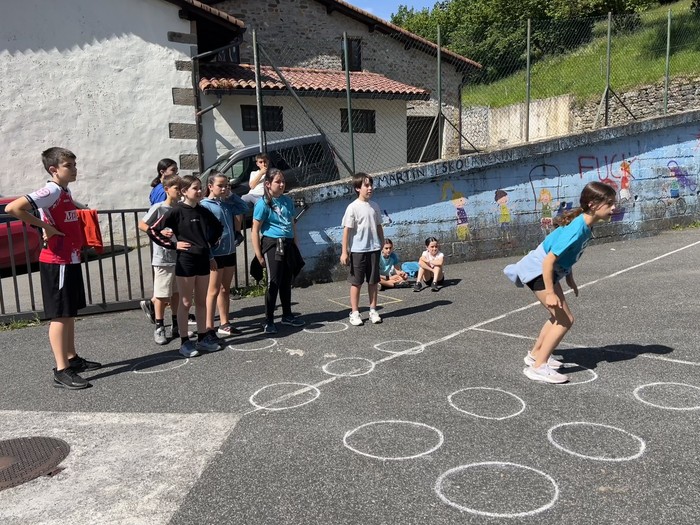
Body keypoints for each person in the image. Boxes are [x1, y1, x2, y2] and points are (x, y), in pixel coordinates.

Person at [6, 147, 102, 389]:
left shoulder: (64, 191)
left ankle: (72, 358)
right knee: (59, 315)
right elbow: (13, 208)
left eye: (74, 164)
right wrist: (44, 227)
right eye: (68, 165)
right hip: (56, 261)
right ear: (54, 169)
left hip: (69, 258)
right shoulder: (50, 190)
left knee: (68, 313)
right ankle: (62, 370)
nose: (74, 169)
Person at [503, 181, 616, 384]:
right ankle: (539, 367)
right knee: (565, 320)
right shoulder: (578, 228)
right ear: (593, 205)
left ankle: (535, 355)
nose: (614, 208)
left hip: (546, 271)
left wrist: (570, 279)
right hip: (538, 270)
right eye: (609, 203)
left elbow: (567, 256)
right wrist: (551, 291)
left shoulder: (585, 225)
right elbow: (549, 260)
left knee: (559, 317)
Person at [147, 175, 223, 357]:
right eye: (195, 188)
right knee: (186, 302)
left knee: (202, 302)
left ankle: (203, 337)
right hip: (185, 261)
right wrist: (173, 244)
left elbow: (218, 228)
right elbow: (153, 230)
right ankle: (184, 342)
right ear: (184, 191)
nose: (199, 191)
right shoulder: (176, 211)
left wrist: (209, 243)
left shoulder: (203, 211)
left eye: (200, 188)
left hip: (203, 259)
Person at [251, 168, 306, 334]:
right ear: (268, 184)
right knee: (273, 282)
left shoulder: (287, 201)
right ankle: (268, 320)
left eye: (283, 181)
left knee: (286, 280)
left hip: (288, 244)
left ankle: (287, 315)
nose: (281, 184)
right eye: (277, 182)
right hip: (272, 244)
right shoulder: (263, 203)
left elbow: (292, 224)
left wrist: (296, 246)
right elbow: (255, 230)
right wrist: (259, 254)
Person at [200, 171, 247, 338]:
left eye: (226, 185)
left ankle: (225, 323)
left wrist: (231, 195)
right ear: (210, 186)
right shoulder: (205, 205)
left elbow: (244, 207)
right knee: (213, 290)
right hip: (216, 253)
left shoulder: (227, 203)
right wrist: (210, 253)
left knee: (225, 289)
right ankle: (208, 326)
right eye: (220, 185)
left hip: (229, 251)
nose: (224, 188)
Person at [138, 173, 181, 345]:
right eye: (177, 189)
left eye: (181, 189)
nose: (180, 192)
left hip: (180, 256)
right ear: (167, 189)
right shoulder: (159, 208)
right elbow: (142, 225)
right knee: (162, 296)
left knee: (177, 293)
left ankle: (177, 325)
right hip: (163, 258)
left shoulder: (181, 208)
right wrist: (159, 232)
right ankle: (159, 326)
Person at [340, 173, 384, 326]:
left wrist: (382, 243)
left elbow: (379, 226)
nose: (370, 188)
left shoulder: (375, 206)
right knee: (356, 282)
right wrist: (345, 252)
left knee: (373, 281)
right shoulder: (352, 207)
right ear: (358, 188)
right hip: (358, 251)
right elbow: (346, 230)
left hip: (374, 249)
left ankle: (373, 310)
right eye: (366, 185)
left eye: (371, 185)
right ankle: (355, 312)